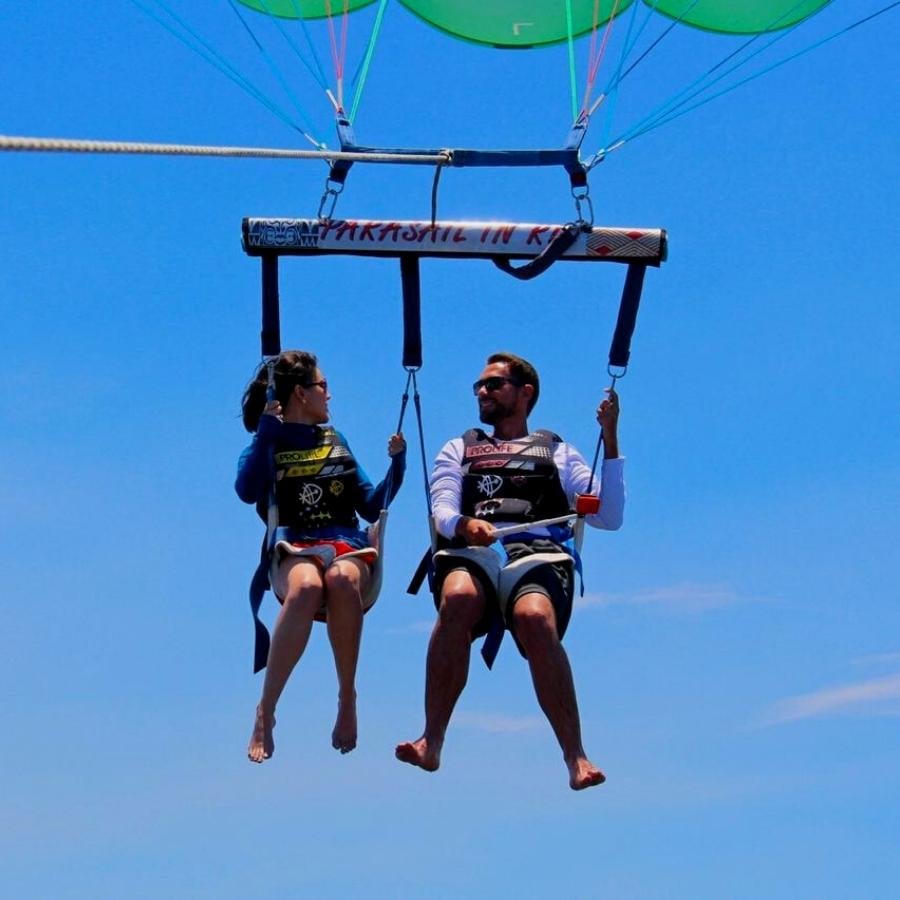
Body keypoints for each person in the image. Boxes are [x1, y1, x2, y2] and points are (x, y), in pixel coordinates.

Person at [395, 352, 623, 790]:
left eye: (492, 384)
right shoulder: (459, 447)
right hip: (473, 551)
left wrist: (610, 441)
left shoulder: (557, 451)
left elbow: (607, 515)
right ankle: (432, 739)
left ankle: (575, 755)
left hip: (537, 554)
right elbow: (440, 506)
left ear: (524, 392)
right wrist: (463, 524)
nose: (481, 392)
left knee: (535, 619)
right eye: (478, 386)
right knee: (459, 597)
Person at [237, 350, 406, 763]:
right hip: (294, 545)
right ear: (300, 393)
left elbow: (370, 505)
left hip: (345, 541)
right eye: (323, 386)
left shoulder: (336, 441)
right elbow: (246, 490)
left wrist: (397, 466)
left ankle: (347, 695)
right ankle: (267, 709)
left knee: (342, 580)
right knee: (308, 585)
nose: (329, 395)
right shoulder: (267, 444)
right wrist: (265, 434)